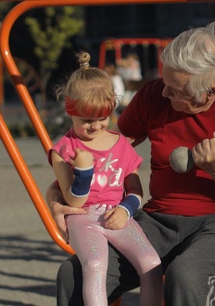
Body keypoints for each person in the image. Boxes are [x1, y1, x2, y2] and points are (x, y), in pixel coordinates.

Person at [47, 22, 215, 305]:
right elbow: (105, 155)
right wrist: (57, 194)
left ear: (210, 90)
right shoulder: (153, 94)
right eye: (165, 81)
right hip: (158, 220)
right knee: (73, 274)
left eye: (175, 89)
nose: (164, 93)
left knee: (186, 274)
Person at [48, 51, 162, 306]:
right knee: (96, 264)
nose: (96, 126)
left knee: (151, 263)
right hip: (83, 219)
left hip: (116, 214)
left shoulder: (120, 143)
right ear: (70, 110)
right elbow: (74, 202)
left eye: (102, 118)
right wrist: (84, 172)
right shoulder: (63, 151)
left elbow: (135, 188)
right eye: (87, 120)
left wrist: (126, 209)